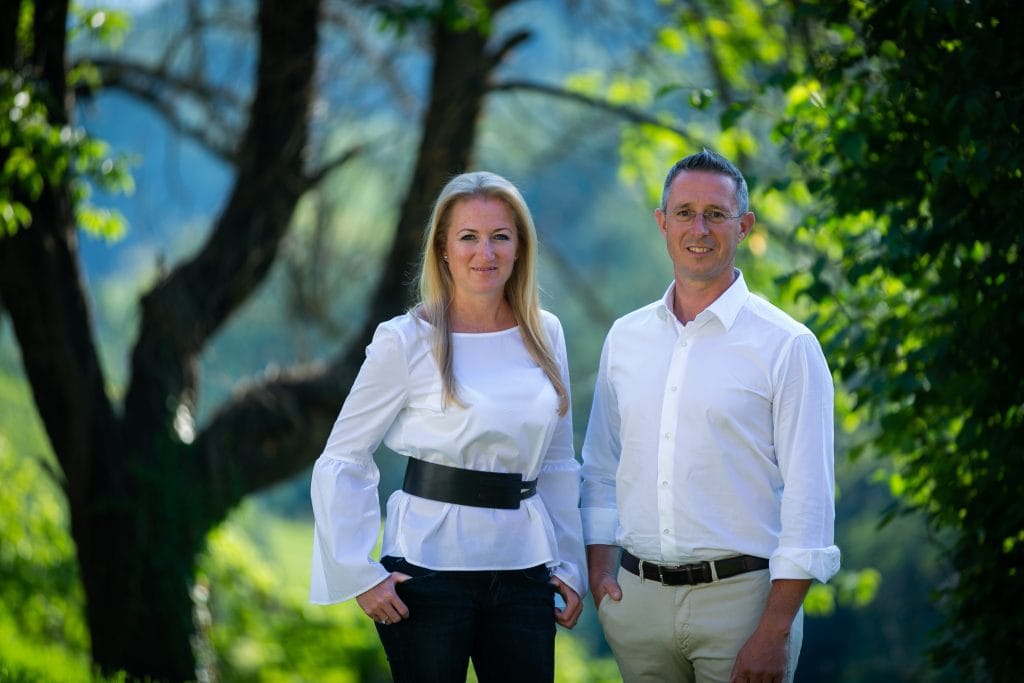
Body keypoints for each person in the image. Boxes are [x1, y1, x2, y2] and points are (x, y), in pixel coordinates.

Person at [309, 171, 586, 683]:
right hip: (428, 568)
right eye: (469, 237)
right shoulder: (405, 339)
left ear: (521, 247)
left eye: (501, 236)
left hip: (525, 569)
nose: (486, 252)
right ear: (442, 248)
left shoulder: (546, 333)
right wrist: (358, 573)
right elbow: (343, 456)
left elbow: (557, 462)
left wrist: (571, 565)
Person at [580, 149, 840, 683]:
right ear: (662, 223)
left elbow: (810, 501)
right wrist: (599, 572)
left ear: (743, 226)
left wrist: (775, 630)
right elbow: (600, 467)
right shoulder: (625, 339)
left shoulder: (788, 346)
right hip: (637, 605)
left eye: (716, 214)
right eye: (684, 212)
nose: (699, 228)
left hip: (743, 608)